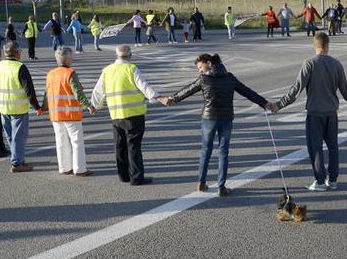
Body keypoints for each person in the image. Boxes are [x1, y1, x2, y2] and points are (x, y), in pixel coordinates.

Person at [268, 32, 347, 191]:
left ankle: (319, 180)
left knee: (315, 147)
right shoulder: (337, 64)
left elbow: (297, 89)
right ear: (327, 46)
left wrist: (279, 105)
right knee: (333, 146)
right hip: (332, 112)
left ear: (315, 46)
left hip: (315, 113)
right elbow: (344, 89)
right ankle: (333, 180)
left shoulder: (309, 63)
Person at [170, 53, 269, 195]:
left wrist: (172, 99)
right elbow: (248, 92)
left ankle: (201, 183)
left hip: (208, 118)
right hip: (226, 119)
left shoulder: (204, 79)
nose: (200, 70)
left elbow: (187, 90)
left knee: (206, 150)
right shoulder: (230, 78)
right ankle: (221, 187)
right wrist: (264, 103)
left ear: (209, 63)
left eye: (200, 67)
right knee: (223, 152)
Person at [91, 45, 170, 185]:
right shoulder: (131, 69)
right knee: (133, 146)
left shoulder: (107, 71)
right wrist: (159, 98)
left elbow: (98, 91)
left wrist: (94, 105)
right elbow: (144, 86)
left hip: (116, 115)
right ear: (130, 56)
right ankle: (137, 177)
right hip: (134, 115)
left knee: (120, 146)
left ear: (116, 56)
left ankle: (123, 175)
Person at [0, 41, 44, 172]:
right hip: (18, 108)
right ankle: (17, 163)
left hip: (3, 107)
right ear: (17, 53)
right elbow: (29, 90)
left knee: (10, 136)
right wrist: (37, 107)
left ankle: (17, 158)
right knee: (19, 136)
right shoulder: (20, 67)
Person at [45, 47, 95, 177]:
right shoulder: (70, 73)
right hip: (70, 113)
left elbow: (47, 93)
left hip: (56, 113)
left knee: (61, 141)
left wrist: (43, 107)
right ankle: (80, 169)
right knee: (77, 141)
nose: (72, 59)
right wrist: (87, 105)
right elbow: (77, 92)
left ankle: (64, 167)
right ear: (67, 59)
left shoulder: (50, 74)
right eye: (71, 57)